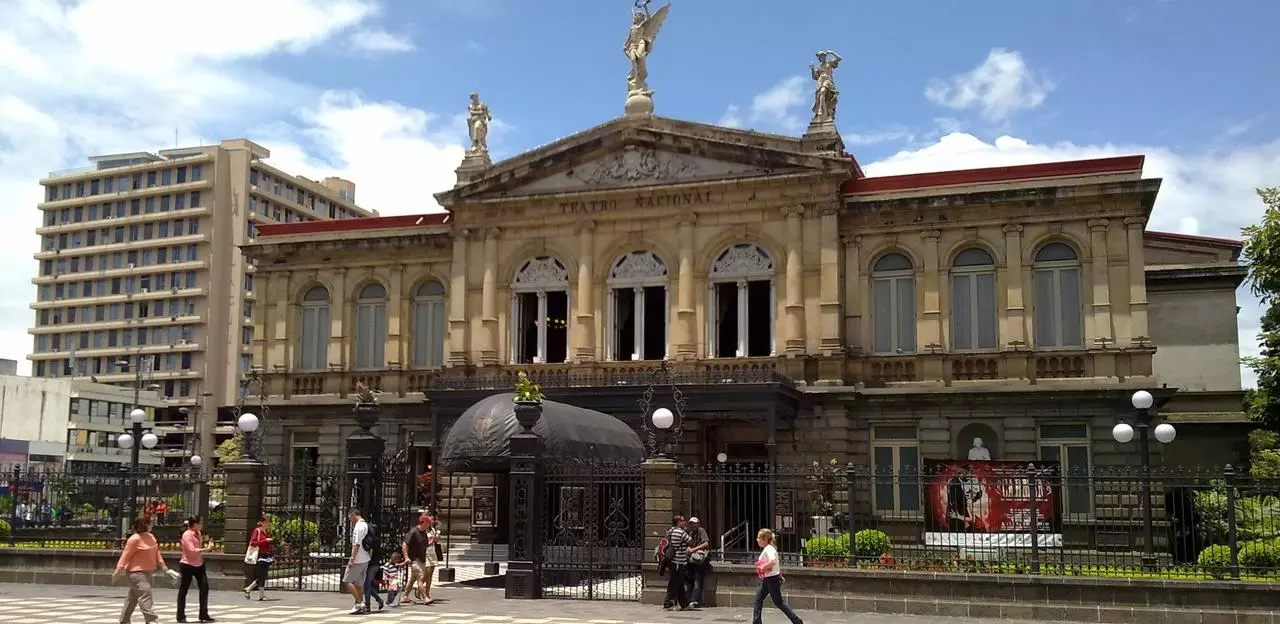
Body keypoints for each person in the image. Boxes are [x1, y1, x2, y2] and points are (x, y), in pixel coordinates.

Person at [113, 515, 179, 624]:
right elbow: (125, 555)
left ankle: (124, 620)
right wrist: (118, 569)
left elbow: (156, 553)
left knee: (133, 597)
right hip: (136, 573)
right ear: (145, 525)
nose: (152, 524)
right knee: (146, 596)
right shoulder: (134, 539)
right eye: (150, 523)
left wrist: (163, 566)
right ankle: (152, 620)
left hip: (148, 572)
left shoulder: (151, 537)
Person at [753, 528, 804, 624]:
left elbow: (773, 561)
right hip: (768, 579)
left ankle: (796, 620)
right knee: (758, 599)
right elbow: (776, 563)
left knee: (778, 602)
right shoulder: (768, 549)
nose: (757, 539)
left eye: (759, 537)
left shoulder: (769, 549)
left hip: (771, 579)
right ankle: (756, 621)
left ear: (764, 539)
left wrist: (764, 566)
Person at [177, 515, 215, 623]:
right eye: (201, 523)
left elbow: (198, 548)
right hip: (187, 564)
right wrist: (206, 549)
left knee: (204, 587)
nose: (202, 525)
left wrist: (207, 546)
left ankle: (203, 614)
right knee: (184, 589)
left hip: (199, 564)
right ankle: (180, 616)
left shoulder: (198, 533)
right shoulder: (187, 535)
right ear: (195, 524)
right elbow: (191, 550)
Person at [402, 514, 439, 605]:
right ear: (424, 523)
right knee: (421, 577)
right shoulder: (413, 532)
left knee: (413, 578)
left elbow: (425, 545)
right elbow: (405, 544)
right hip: (414, 559)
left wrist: (433, 540)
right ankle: (425, 597)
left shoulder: (424, 533)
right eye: (429, 523)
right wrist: (406, 557)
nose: (430, 525)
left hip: (422, 559)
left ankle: (405, 596)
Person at [345, 508, 372, 615]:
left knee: (347, 580)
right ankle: (359, 605)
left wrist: (352, 558)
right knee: (359, 583)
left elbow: (357, 543)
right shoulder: (365, 524)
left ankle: (359, 603)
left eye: (349, 516)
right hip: (365, 558)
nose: (349, 518)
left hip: (358, 558)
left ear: (353, 514)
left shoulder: (359, 526)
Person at [660, 515, 690, 611]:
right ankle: (668, 603)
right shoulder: (680, 532)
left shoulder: (671, 531)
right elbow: (691, 541)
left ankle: (684, 604)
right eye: (682, 520)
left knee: (680, 582)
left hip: (673, 561)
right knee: (674, 583)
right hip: (677, 561)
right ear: (678, 522)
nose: (684, 522)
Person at [243, 514, 273, 601]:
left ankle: (257, 593)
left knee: (263, 575)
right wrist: (265, 541)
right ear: (262, 522)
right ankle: (251, 590)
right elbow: (253, 542)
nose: (267, 524)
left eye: (268, 522)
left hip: (266, 555)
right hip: (259, 555)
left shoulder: (266, 531)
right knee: (261, 576)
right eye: (266, 522)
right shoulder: (257, 531)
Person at [684, 516, 711, 608]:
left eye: (695, 523)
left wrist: (693, 549)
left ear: (698, 524)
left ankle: (694, 600)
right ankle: (689, 599)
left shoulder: (701, 531)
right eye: (691, 523)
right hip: (690, 559)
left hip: (698, 559)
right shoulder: (689, 532)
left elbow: (706, 543)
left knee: (697, 580)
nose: (693, 525)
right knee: (688, 579)